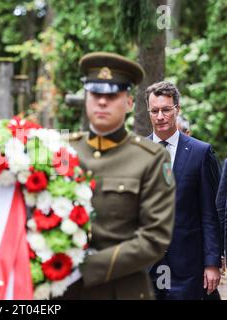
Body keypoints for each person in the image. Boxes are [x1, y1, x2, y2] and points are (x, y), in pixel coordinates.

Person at [64, 52, 176, 299]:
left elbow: (154, 238)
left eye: (112, 95)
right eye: (96, 94)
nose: (102, 102)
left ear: (129, 103)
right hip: (62, 291)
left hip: (121, 290)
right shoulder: (62, 151)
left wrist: (86, 267)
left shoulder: (150, 158)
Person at [147, 81, 221, 300]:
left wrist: (212, 263)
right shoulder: (136, 152)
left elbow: (210, 214)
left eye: (166, 110)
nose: (160, 116)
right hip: (146, 267)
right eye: (155, 111)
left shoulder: (201, 152)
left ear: (177, 109)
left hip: (188, 268)